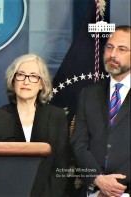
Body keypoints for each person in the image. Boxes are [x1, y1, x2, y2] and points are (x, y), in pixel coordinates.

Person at [70, 25, 130, 197]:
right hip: (94, 191)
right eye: (109, 47)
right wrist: (98, 179)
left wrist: (116, 186)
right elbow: (79, 143)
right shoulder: (88, 93)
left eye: (122, 49)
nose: (113, 54)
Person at [1, 54, 70, 197]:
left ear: (41, 84)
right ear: (13, 80)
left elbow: (61, 165)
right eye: (21, 75)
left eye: (33, 76)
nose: (26, 81)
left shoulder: (56, 116)